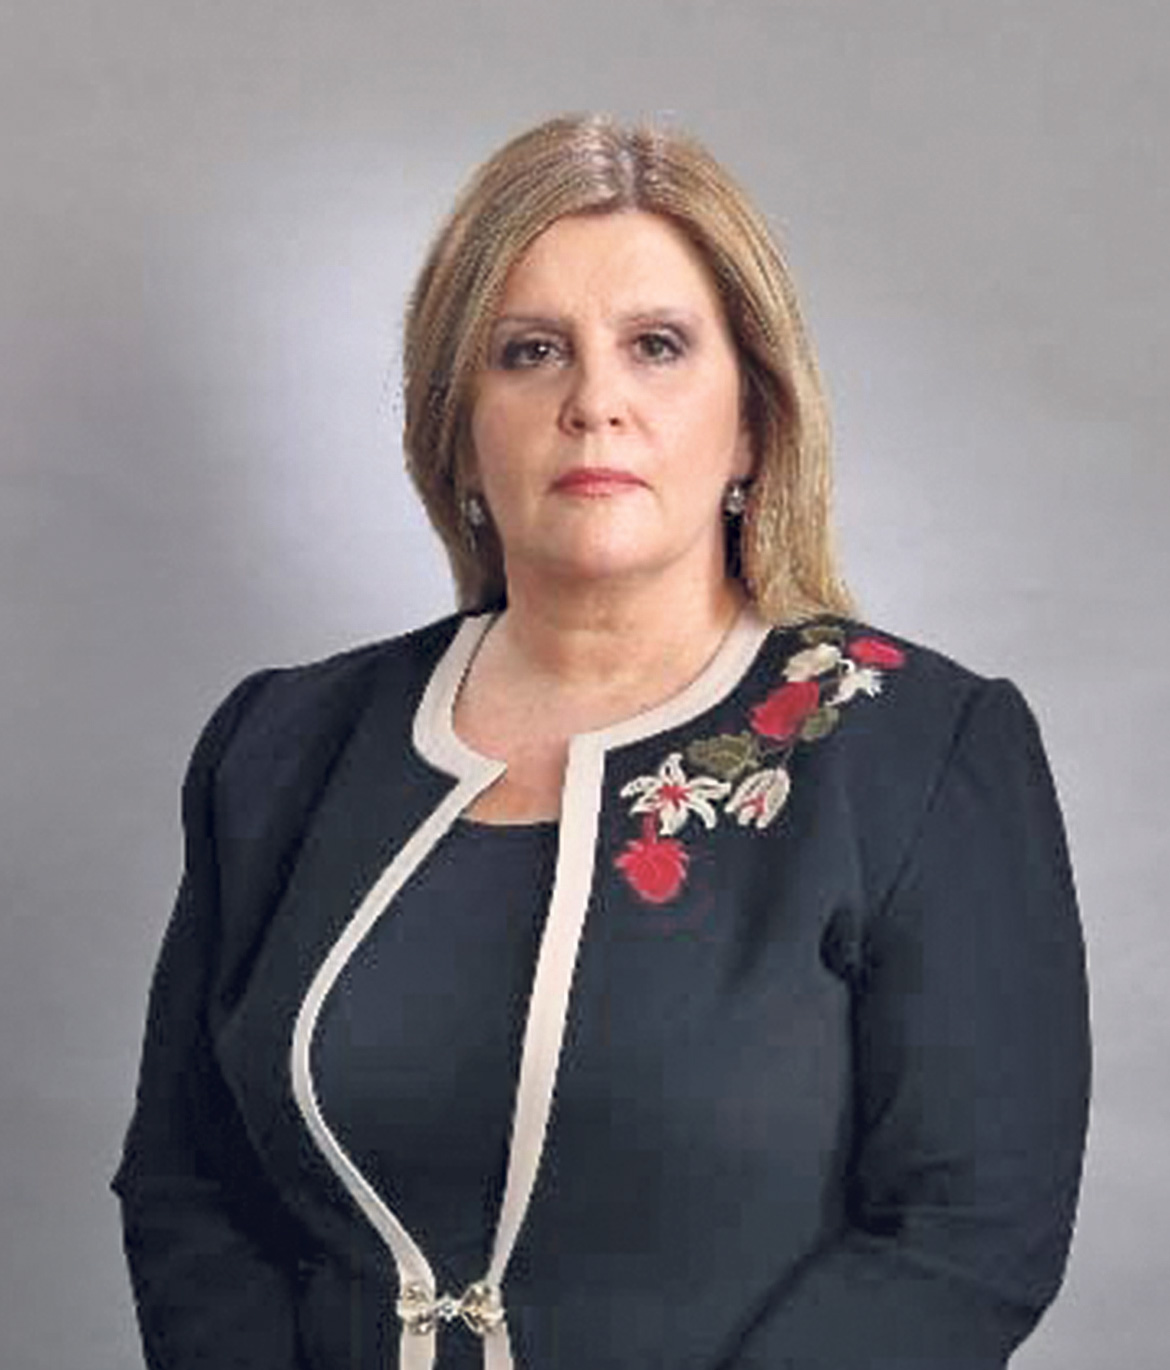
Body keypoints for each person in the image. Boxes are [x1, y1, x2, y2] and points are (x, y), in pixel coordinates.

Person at [112, 114, 1090, 1370]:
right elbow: (189, 1184)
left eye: (657, 347)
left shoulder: (921, 749)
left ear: (752, 421)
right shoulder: (281, 745)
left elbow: (969, 1234)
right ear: (460, 428)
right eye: (530, 352)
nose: (594, 404)